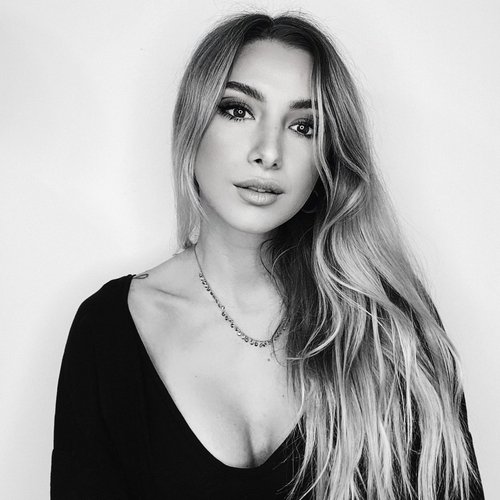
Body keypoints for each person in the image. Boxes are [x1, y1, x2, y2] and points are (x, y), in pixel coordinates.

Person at [50, 12, 484, 500]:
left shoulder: (386, 327)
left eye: (303, 126)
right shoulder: (108, 329)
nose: (268, 152)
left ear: (328, 156)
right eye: (238, 111)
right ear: (192, 123)